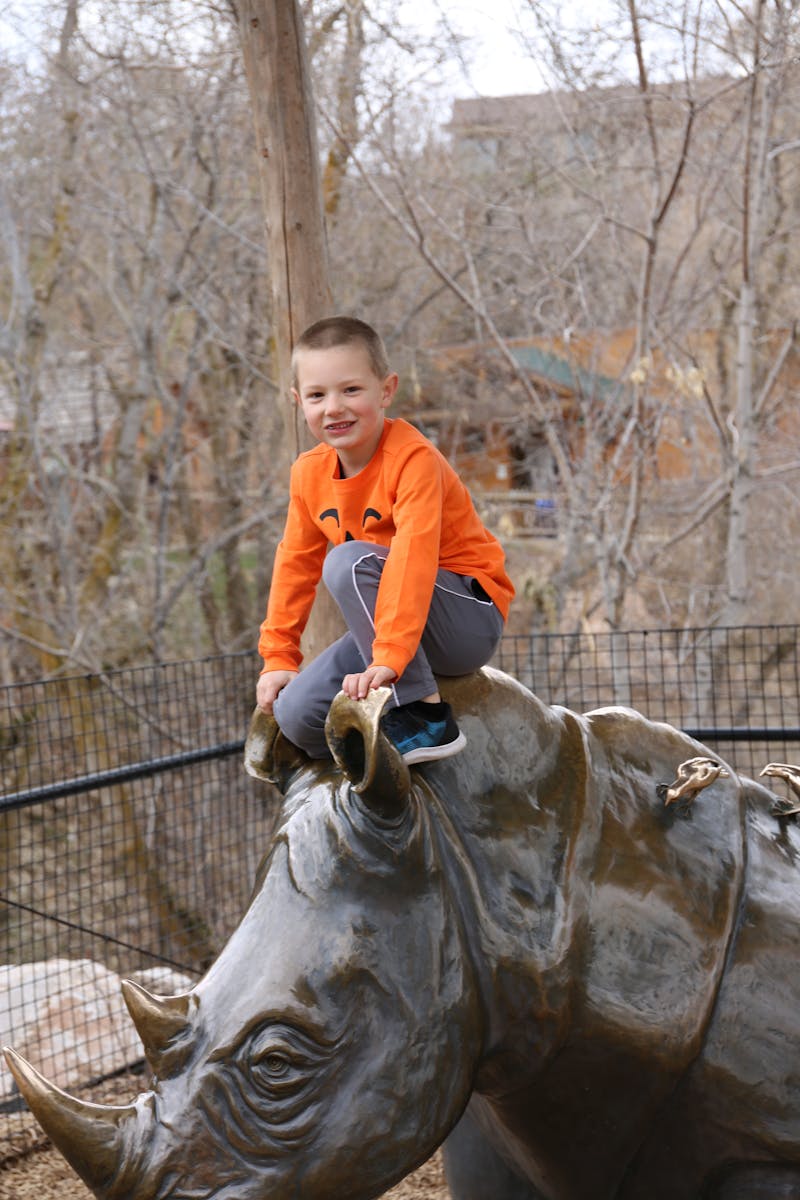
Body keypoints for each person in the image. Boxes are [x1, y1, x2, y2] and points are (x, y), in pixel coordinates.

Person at [256, 315, 515, 764]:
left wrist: (390, 666)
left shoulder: (412, 458)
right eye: (317, 395)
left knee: (349, 562)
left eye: (351, 390)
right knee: (295, 715)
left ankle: (425, 718)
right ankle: (370, 759)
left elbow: (412, 558)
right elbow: (294, 564)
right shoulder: (308, 474)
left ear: (386, 390)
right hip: (390, 626)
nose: (334, 407)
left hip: (464, 616)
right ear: (299, 402)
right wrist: (279, 656)